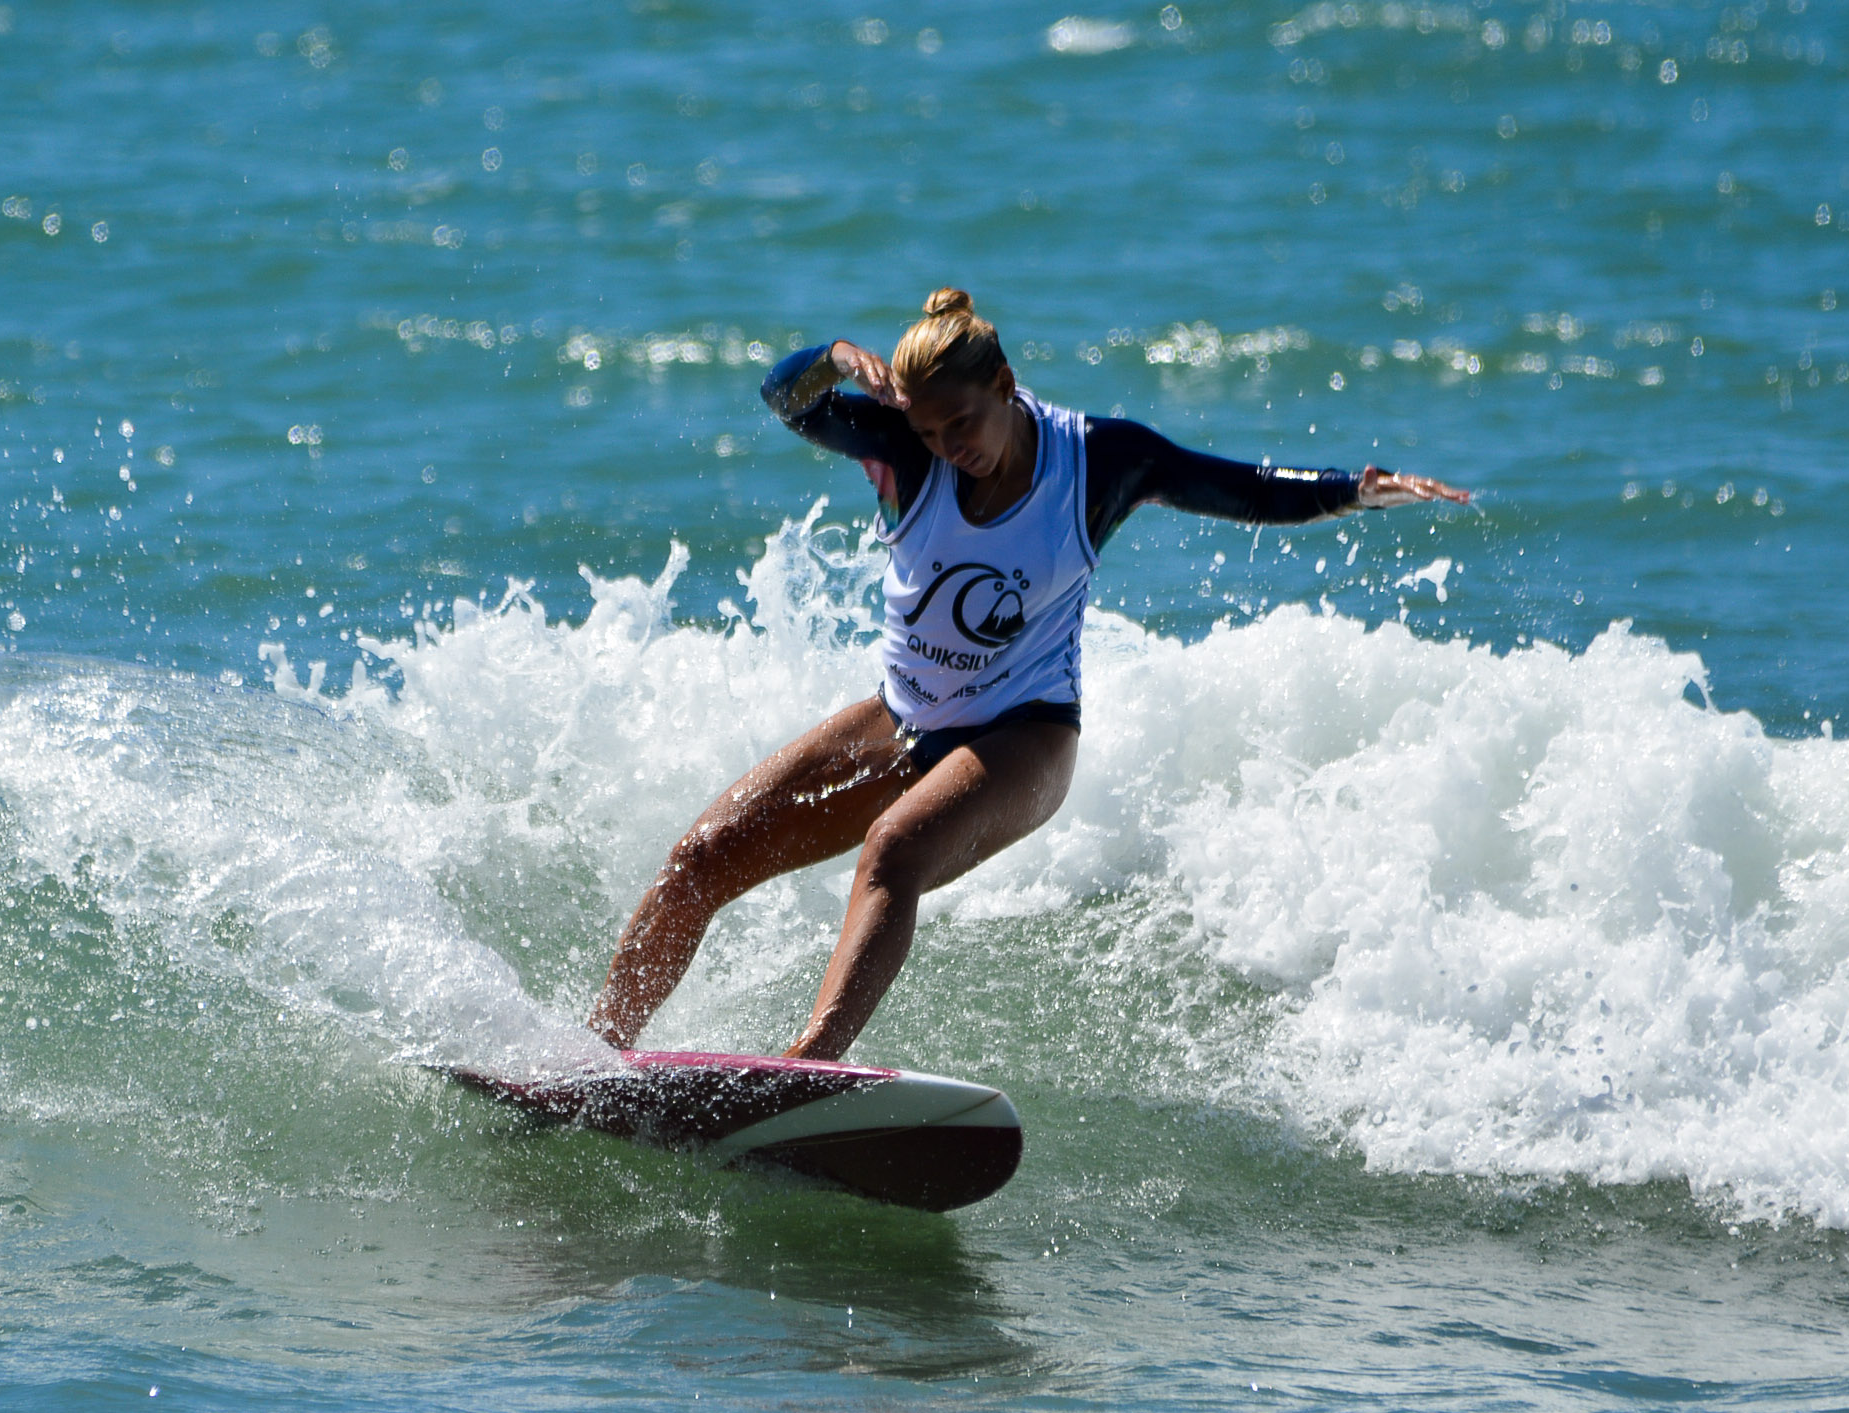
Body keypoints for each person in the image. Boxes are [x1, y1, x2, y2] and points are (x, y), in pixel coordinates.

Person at [588, 288, 1468, 1062]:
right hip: (903, 719)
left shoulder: (1098, 461)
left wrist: (1350, 489)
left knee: (893, 847)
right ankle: (591, 1057)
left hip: (1024, 735)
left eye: (961, 425)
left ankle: (806, 1068)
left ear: (1005, 385)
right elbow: (785, 397)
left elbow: (1239, 488)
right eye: (929, 432)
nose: (947, 448)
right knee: (699, 858)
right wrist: (835, 357)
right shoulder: (904, 449)